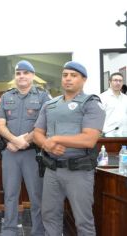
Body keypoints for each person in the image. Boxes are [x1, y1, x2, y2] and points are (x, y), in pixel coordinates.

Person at [33, 61, 105, 235]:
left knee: (83, 221)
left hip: (78, 171)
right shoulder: (50, 104)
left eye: (73, 75)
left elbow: (89, 139)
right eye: (65, 75)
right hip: (52, 170)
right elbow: (36, 133)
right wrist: (46, 145)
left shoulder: (91, 103)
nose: (68, 79)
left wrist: (55, 139)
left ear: (84, 79)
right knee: (49, 216)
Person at [0, 60, 50, 236]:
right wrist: (14, 140)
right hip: (10, 152)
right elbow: (0, 124)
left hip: (33, 154)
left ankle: (38, 231)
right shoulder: (6, 96)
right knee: (10, 194)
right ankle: (9, 230)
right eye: (18, 73)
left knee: (36, 196)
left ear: (32, 76)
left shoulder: (43, 97)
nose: (22, 76)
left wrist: (24, 140)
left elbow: (44, 125)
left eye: (25, 73)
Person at [99, 72, 127, 137]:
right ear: (110, 82)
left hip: (124, 135)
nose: (118, 83)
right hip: (108, 136)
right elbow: (98, 117)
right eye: (115, 80)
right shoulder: (102, 98)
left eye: (120, 81)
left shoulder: (126, 98)